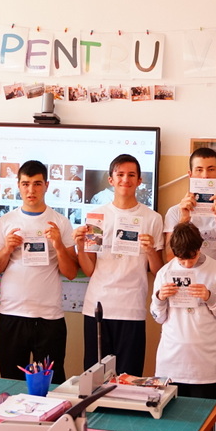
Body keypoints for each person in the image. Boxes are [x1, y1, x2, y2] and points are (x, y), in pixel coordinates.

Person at [73, 154, 164, 375]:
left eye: (131, 175)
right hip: (98, 307)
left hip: (131, 308)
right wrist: (80, 246)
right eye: (120, 174)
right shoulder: (97, 216)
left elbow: (158, 271)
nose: (126, 179)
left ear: (139, 180)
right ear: (111, 180)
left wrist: (150, 250)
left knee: (129, 378)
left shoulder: (152, 218)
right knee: (95, 378)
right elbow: (89, 269)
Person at [0, 160, 78, 383]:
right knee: (10, 382)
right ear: (18, 185)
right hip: (12, 315)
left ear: (47, 185)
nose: (31, 190)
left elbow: (71, 273)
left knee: (51, 385)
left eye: (37, 184)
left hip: (49, 318)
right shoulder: (6, 221)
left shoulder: (60, 222)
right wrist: (8, 248)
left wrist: (58, 245)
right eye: (26, 184)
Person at [151, 222, 216, 398]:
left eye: (193, 257)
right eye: (182, 260)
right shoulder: (164, 273)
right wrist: (159, 298)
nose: (188, 264)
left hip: (207, 366)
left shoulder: (215, 270)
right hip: (171, 364)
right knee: (170, 421)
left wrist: (210, 297)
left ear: (200, 247)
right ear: (174, 253)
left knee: (205, 421)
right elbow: (158, 318)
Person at [164, 147, 216, 263]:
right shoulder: (175, 212)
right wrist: (184, 220)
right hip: (188, 278)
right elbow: (170, 258)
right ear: (190, 175)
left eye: (211, 169)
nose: (205, 176)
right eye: (199, 170)